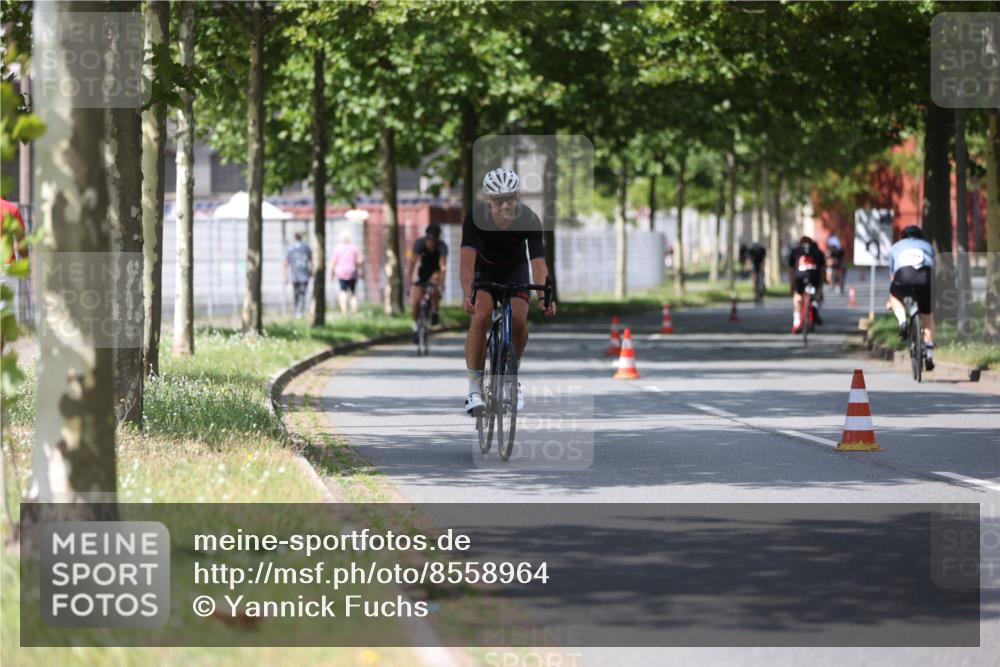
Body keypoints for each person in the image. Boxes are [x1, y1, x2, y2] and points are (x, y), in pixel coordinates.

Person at [462, 167, 556, 416]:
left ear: (518, 196)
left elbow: (537, 263)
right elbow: (466, 262)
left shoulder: (529, 219)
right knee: (481, 317)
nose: (505, 205)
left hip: (515, 269)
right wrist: (466, 292)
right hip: (485, 271)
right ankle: (474, 390)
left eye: (510, 199)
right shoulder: (475, 218)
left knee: (517, 319)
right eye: (498, 200)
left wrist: (545, 297)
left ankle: (510, 378)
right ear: (488, 200)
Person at [888, 225, 936, 371]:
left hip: (903, 275)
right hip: (925, 277)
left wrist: (891, 299)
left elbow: (892, 274)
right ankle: (929, 353)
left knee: (894, 296)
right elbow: (934, 268)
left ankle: (902, 320)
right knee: (928, 316)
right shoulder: (928, 246)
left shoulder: (895, 247)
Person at [406, 223, 448, 341]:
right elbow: (412, 263)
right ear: (426, 237)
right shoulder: (419, 244)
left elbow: (443, 266)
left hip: (435, 271)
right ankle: (415, 328)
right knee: (416, 301)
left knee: (435, 288)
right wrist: (409, 280)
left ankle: (434, 310)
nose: (431, 242)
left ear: (437, 239)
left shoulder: (442, 247)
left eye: (434, 239)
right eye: (428, 238)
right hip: (422, 272)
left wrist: (441, 282)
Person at [787, 235, 827, 334]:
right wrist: (821, 284)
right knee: (818, 295)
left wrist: (792, 285)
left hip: (800, 278)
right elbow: (822, 269)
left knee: (797, 298)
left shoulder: (795, 251)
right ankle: (815, 306)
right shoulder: (818, 252)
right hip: (814, 278)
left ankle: (796, 322)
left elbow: (791, 270)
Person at [330, 231, 363, 314]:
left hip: (341, 273)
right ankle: (354, 310)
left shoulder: (338, 248)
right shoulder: (354, 248)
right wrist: (360, 270)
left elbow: (333, 262)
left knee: (343, 291)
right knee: (353, 292)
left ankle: (344, 311)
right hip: (352, 272)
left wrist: (332, 273)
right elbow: (360, 261)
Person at [284, 231, 312, 318]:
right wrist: (312, 271)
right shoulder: (306, 247)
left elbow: (285, 263)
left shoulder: (290, 248)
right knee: (302, 294)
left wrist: (285, 276)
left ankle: (297, 311)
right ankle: (299, 311)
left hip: (295, 275)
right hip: (304, 274)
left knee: (296, 294)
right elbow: (311, 261)